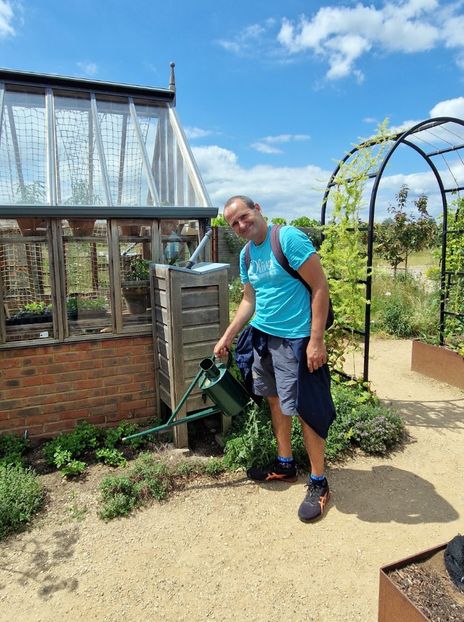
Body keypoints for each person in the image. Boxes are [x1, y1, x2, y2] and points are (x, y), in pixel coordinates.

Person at [214, 195, 335, 522]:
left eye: (243, 216)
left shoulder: (288, 238)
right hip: (264, 338)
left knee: (308, 410)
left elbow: (320, 286)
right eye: (233, 223)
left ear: (257, 209)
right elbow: (249, 301)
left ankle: (319, 481)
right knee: (275, 401)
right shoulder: (246, 255)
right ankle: (285, 465)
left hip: (298, 340)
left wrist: (316, 339)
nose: (240, 225)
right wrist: (228, 336)